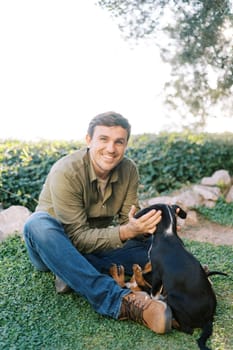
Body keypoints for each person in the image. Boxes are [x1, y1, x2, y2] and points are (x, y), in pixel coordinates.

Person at [23, 111, 172, 334]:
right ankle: (119, 302)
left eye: (119, 142)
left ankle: (69, 273)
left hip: (97, 246)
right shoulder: (66, 171)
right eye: (104, 139)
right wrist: (126, 231)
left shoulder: (129, 169)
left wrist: (150, 226)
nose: (111, 149)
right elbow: (78, 238)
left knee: (153, 246)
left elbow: (127, 220)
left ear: (125, 145)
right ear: (89, 140)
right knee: (36, 223)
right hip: (54, 246)